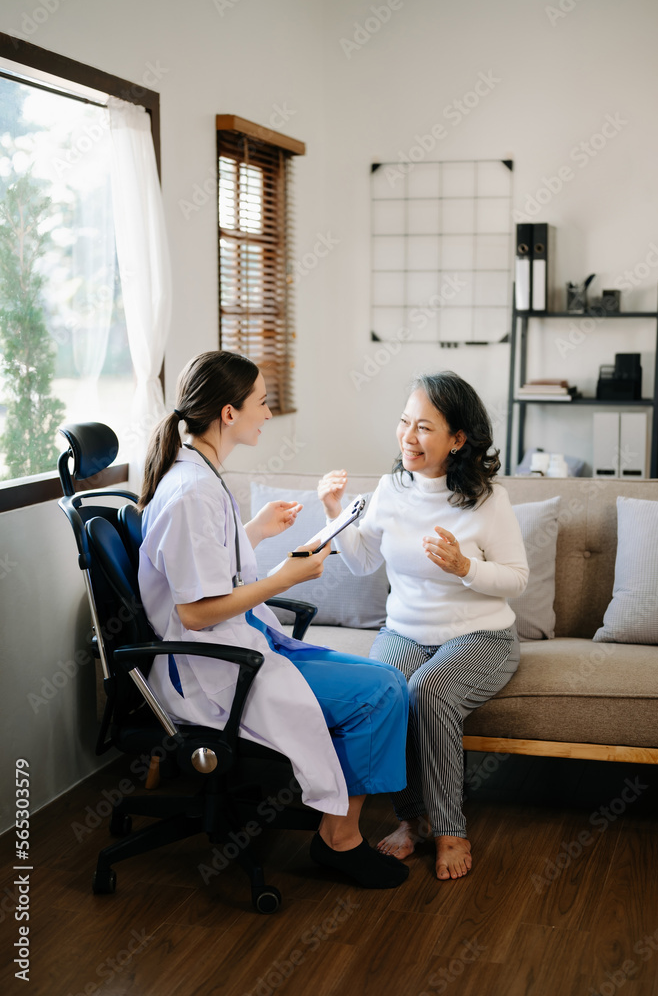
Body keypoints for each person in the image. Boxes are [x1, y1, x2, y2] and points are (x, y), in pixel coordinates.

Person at [137, 350, 410, 889]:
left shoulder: (198, 476)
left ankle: (333, 822)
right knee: (383, 692)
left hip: (240, 644)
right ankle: (339, 840)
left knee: (383, 681)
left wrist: (254, 532)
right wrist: (285, 578)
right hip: (214, 668)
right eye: (261, 402)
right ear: (228, 413)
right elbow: (194, 611)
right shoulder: (192, 491)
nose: (268, 412)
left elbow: (207, 568)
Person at [318, 371, 528, 882]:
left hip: (480, 635)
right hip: (405, 631)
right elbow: (365, 562)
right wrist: (333, 512)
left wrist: (465, 568)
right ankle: (411, 821)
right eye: (405, 423)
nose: (409, 438)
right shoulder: (390, 489)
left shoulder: (488, 500)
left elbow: (517, 580)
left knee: (427, 691)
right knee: (383, 692)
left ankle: (451, 830)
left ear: (458, 440)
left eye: (425, 428)